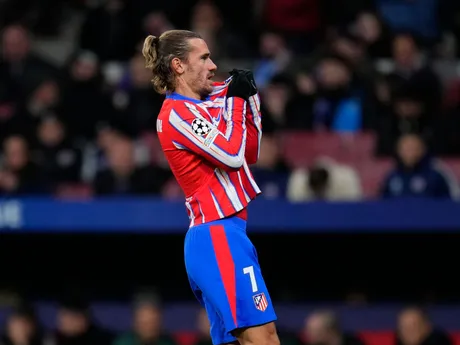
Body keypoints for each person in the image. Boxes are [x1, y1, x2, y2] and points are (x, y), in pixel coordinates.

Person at [142, 30, 279, 345]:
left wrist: (250, 98)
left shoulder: (204, 106)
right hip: (216, 236)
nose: (213, 65)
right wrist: (235, 101)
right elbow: (231, 156)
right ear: (178, 65)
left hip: (228, 234)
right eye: (203, 58)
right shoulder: (176, 113)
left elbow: (250, 152)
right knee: (264, 339)